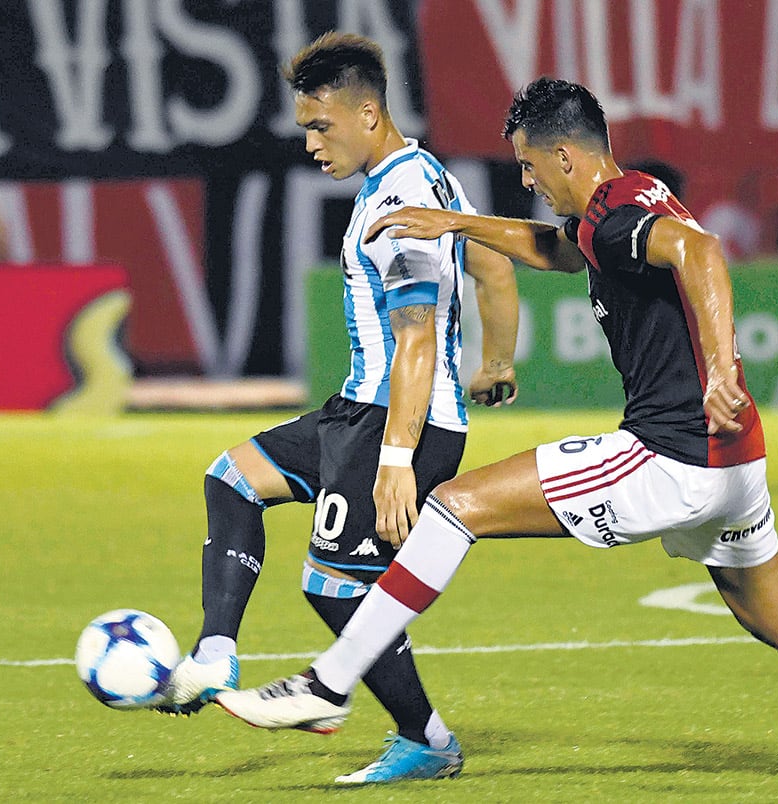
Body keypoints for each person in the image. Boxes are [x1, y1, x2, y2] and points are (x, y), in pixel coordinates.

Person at [215, 77, 778, 787]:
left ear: (566, 157)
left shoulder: (624, 209)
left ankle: (329, 682)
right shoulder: (613, 208)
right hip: (735, 464)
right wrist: (457, 223)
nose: (527, 181)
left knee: (453, 507)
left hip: (669, 454)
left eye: (530, 167)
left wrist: (719, 373)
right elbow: (560, 252)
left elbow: (700, 253)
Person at [157, 32, 520, 785]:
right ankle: (215, 656)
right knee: (231, 479)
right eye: (304, 128)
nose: (311, 143)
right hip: (357, 410)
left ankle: (426, 739)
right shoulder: (427, 179)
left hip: (397, 422)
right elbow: (490, 264)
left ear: (367, 111)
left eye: (321, 126)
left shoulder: (399, 198)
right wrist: (496, 359)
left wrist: (395, 459)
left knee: (334, 588)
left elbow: (416, 335)